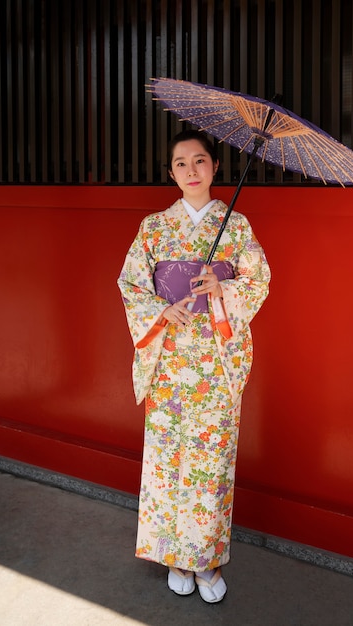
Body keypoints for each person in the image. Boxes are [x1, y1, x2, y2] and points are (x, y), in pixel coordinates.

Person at [118, 129, 271, 603]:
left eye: (199, 161)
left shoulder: (236, 226)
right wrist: (162, 311)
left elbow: (259, 280)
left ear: (215, 169)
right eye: (181, 163)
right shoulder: (153, 227)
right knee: (167, 461)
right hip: (167, 358)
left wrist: (219, 287)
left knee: (210, 462)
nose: (190, 170)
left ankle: (205, 561)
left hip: (213, 360)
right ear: (171, 173)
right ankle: (174, 556)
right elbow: (131, 284)